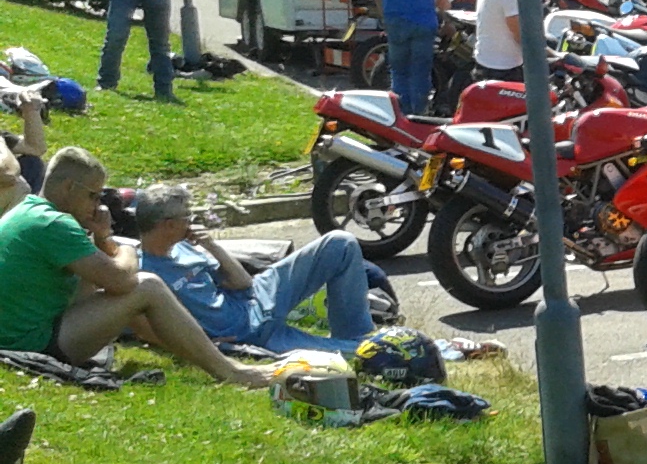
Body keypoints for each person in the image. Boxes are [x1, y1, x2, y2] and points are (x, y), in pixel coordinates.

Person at [0, 148, 267, 386]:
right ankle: (232, 371)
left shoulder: (28, 211)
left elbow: (104, 279)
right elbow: (122, 281)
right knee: (148, 286)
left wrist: (102, 238)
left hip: (12, 337)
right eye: (94, 195)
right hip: (27, 345)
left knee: (100, 277)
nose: (98, 205)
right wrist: (125, 246)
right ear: (69, 187)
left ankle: (205, 352)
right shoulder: (54, 224)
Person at [134, 185, 375, 355]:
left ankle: (355, 332)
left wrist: (212, 246)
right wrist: (204, 346)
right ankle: (359, 346)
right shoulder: (143, 274)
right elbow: (144, 329)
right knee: (366, 353)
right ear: (169, 225)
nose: (192, 221)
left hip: (257, 295)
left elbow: (243, 283)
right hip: (250, 332)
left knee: (340, 242)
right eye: (187, 217)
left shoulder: (185, 246)